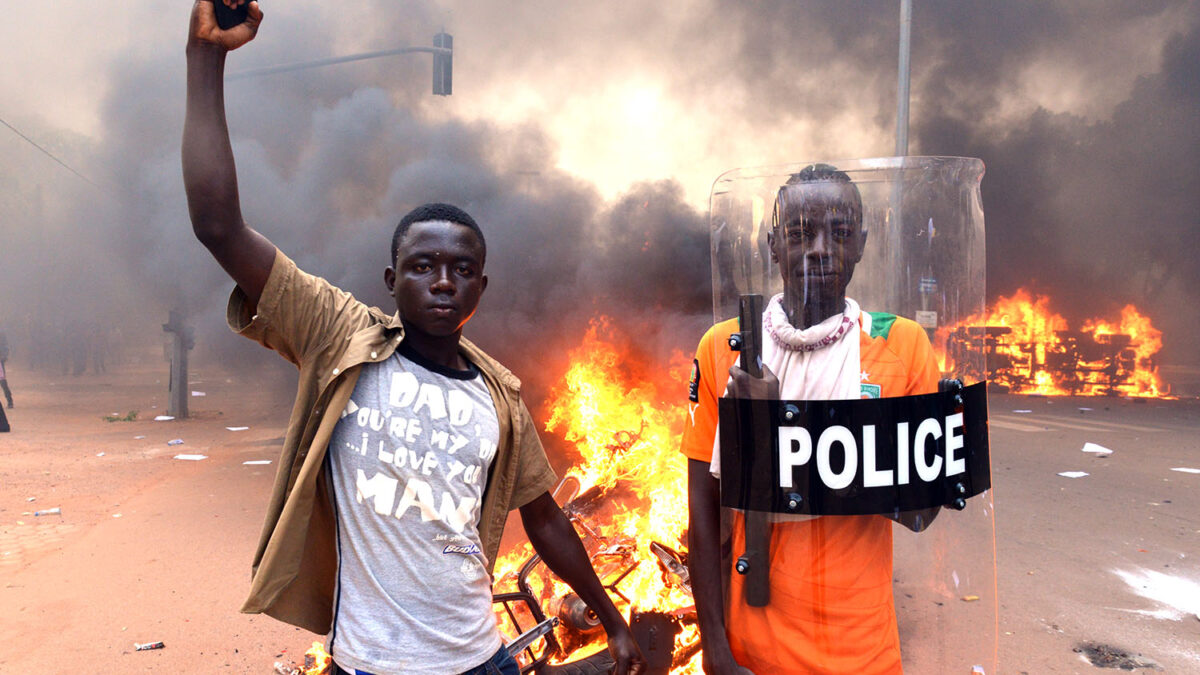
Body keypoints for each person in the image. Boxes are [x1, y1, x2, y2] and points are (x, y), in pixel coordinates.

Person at [181, 3, 645, 674]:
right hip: (371, 664)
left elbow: (545, 520)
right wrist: (205, 59)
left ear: (481, 290)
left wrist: (612, 618)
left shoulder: (500, 395)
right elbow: (218, 226)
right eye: (424, 267)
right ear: (393, 280)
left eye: (461, 270)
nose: (443, 282)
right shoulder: (340, 335)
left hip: (482, 660)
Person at [682, 165, 941, 674]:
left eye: (839, 233)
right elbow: (703, 514)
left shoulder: (903, 345)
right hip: (750, 648)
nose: (820, 249)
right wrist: (715, 649)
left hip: (860, 651)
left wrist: (782, 431)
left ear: (862, 243)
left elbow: (922, 513)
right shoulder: (726, 348)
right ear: (773, 244)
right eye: (800, 233)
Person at [0, 328, 13, 409]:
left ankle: (10, 401)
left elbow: (5, 346)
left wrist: (4, 356)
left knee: (3, 382)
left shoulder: (1, 333)